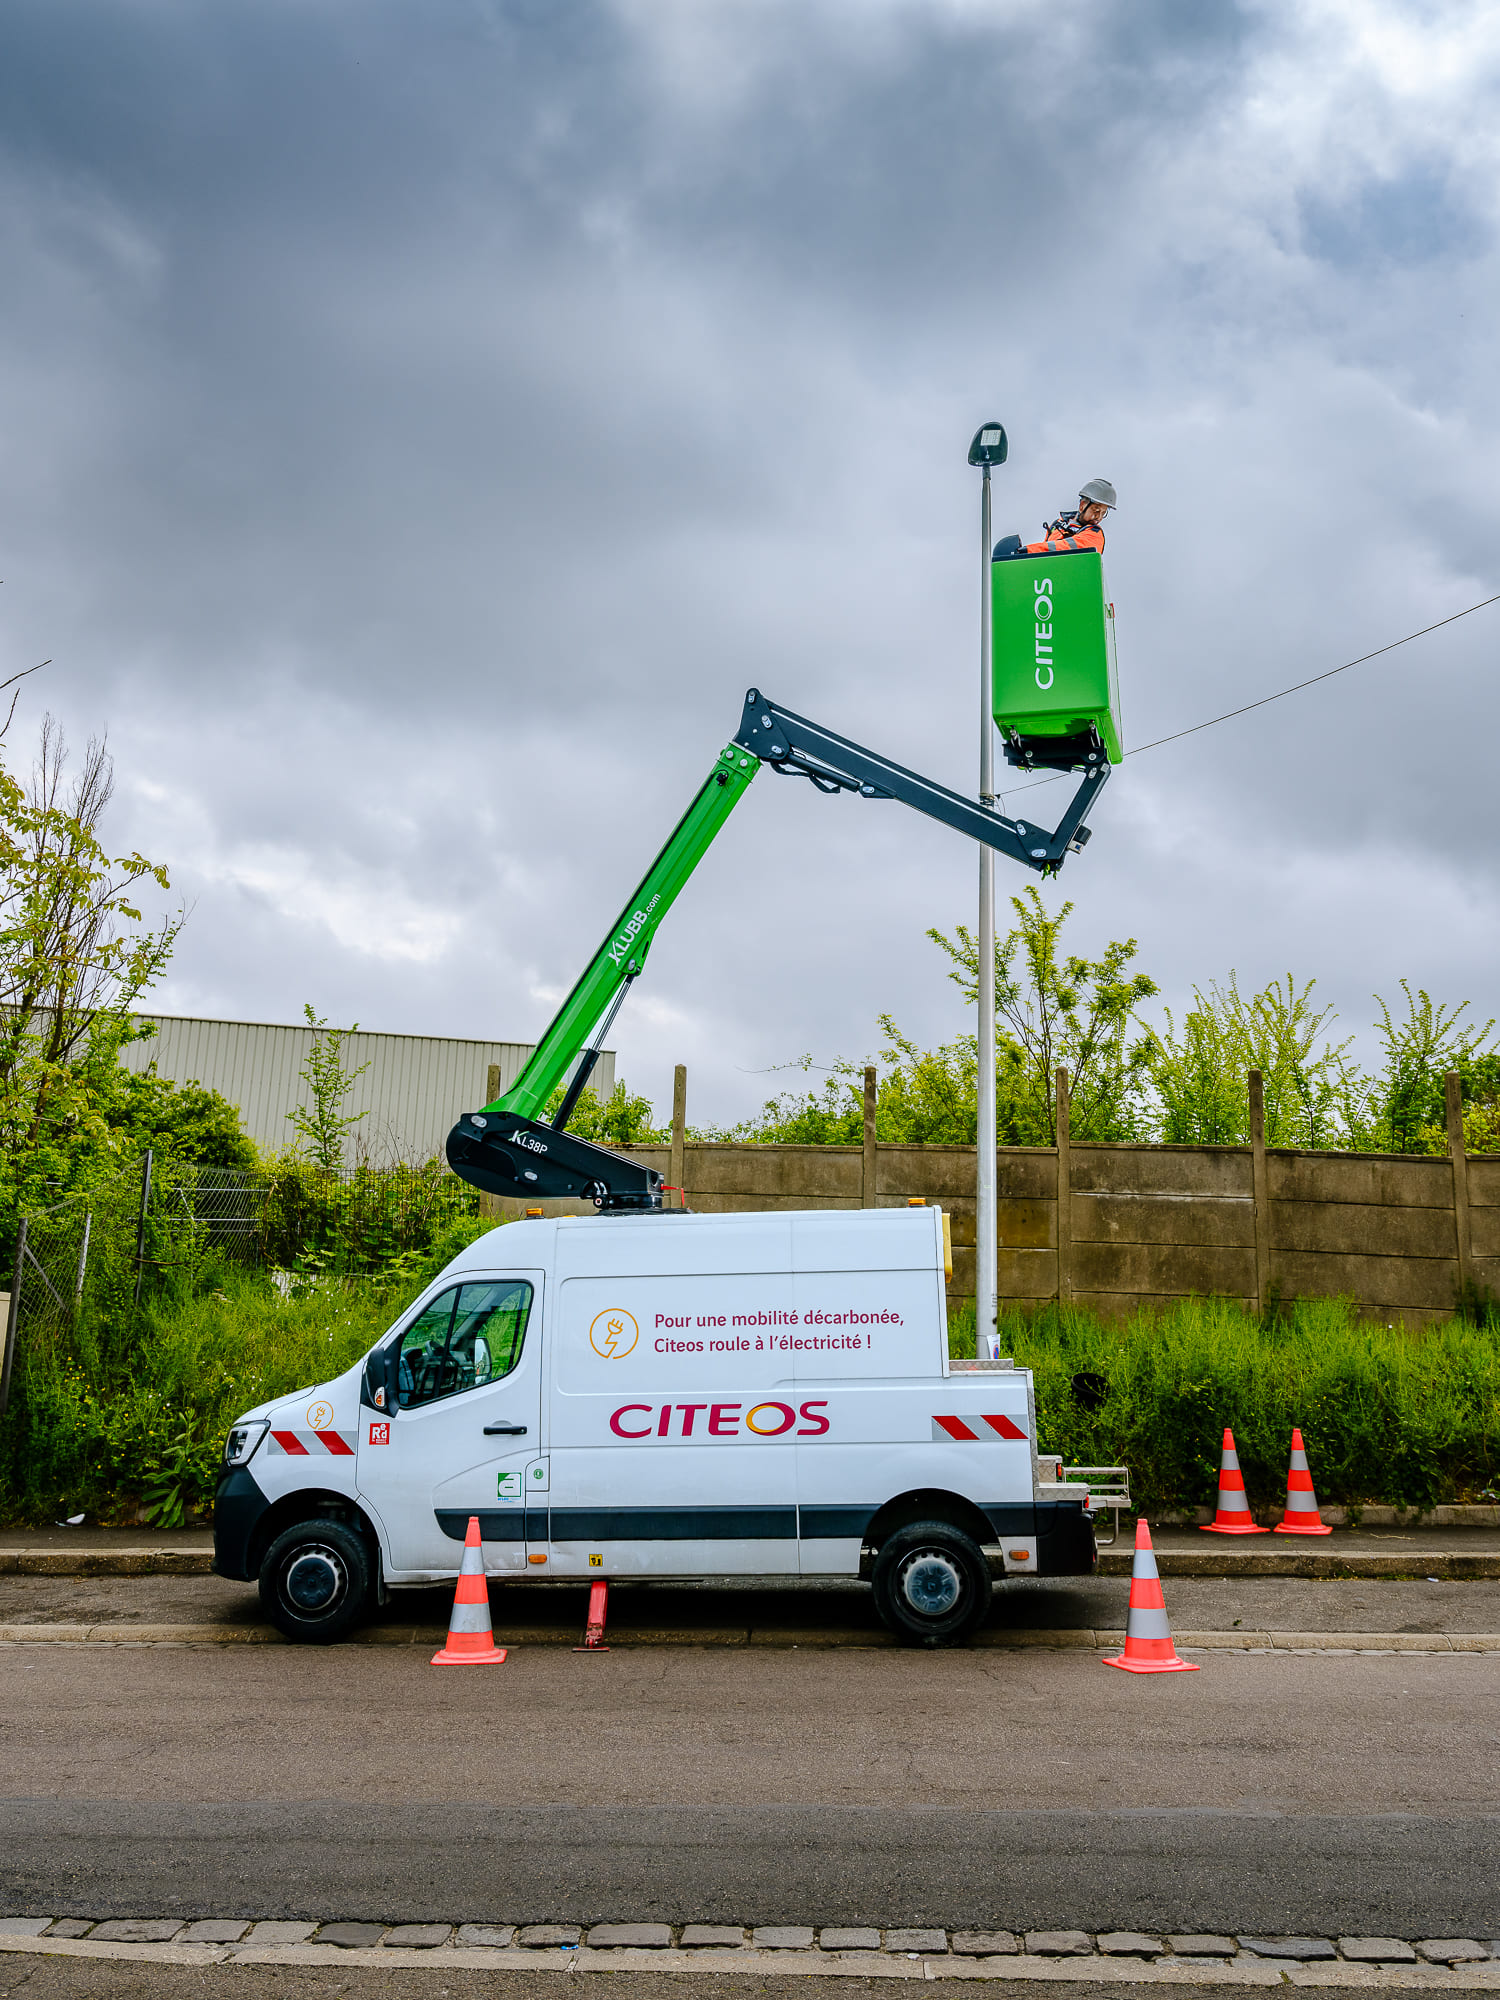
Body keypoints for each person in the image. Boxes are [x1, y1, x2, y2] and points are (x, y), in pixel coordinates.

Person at [993, 478, 1116, 560]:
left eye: (1103, 513)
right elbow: (1046, 552)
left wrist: (1025, 551)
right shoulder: (1058, 525)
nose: (1098, 517)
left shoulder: (1094, 533)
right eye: (1096, 510)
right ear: (1082, 505)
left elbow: (1064, 548)